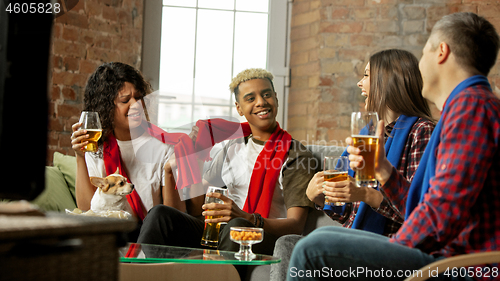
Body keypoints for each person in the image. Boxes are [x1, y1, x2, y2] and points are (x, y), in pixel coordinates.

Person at [288, 12, 500, 281]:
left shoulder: (471, 108)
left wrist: (390, 247)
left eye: (423, 53)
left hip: (466, 267)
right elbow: (425, 206)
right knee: (322, 235)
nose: (419, 66)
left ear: (441, 53)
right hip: (450, 258)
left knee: (312, 249)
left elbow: (441, 214)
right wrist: (383, 170)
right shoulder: (465, 108)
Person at [271, 49, 436, 281]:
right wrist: (319, 196)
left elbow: (419, 212)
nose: (360, 83)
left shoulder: (422, 132)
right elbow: (350, 212)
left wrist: (366, 194)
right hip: (361, 239)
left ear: (386, 81)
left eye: (367, 76)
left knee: (314, 243)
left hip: (398, 248)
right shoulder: (367, 133)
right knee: (287, 243)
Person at [136, 68, 316, 256]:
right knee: (159, 215)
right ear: (239, 108)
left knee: (237, 227)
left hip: (261, 235)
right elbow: (198, 208)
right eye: (250, 98)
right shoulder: (233, 147)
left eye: (266, 94)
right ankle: (144, 273)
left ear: (276, 99)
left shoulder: (295, 155)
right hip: (222, 231)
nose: (261, 102)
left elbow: (295, 225)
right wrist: (196, 157)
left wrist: (245, 217)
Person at [70, 62, 191, 240]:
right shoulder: (97, 147)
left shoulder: (163, 147)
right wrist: (80, 156)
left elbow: (173, 217)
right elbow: (89, 210)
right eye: (125, 100)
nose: (136, 105)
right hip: (111, 237)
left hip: (151, 238)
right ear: (106, 108)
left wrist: (169, 172)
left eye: (139, 97)